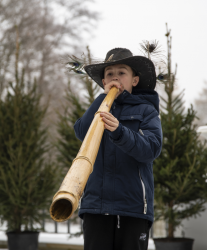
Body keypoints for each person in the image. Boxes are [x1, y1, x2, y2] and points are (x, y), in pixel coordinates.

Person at [74, 48, 162, 250]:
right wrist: (101, 100)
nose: (116, 78)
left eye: (122, 72)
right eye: (109, 74)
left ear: (134, 80)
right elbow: (81, 132)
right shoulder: (99, 107)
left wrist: (120, 132)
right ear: (104, 82)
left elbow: (151, 149)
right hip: (95, 208)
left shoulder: (146, 111)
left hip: (132, 209)